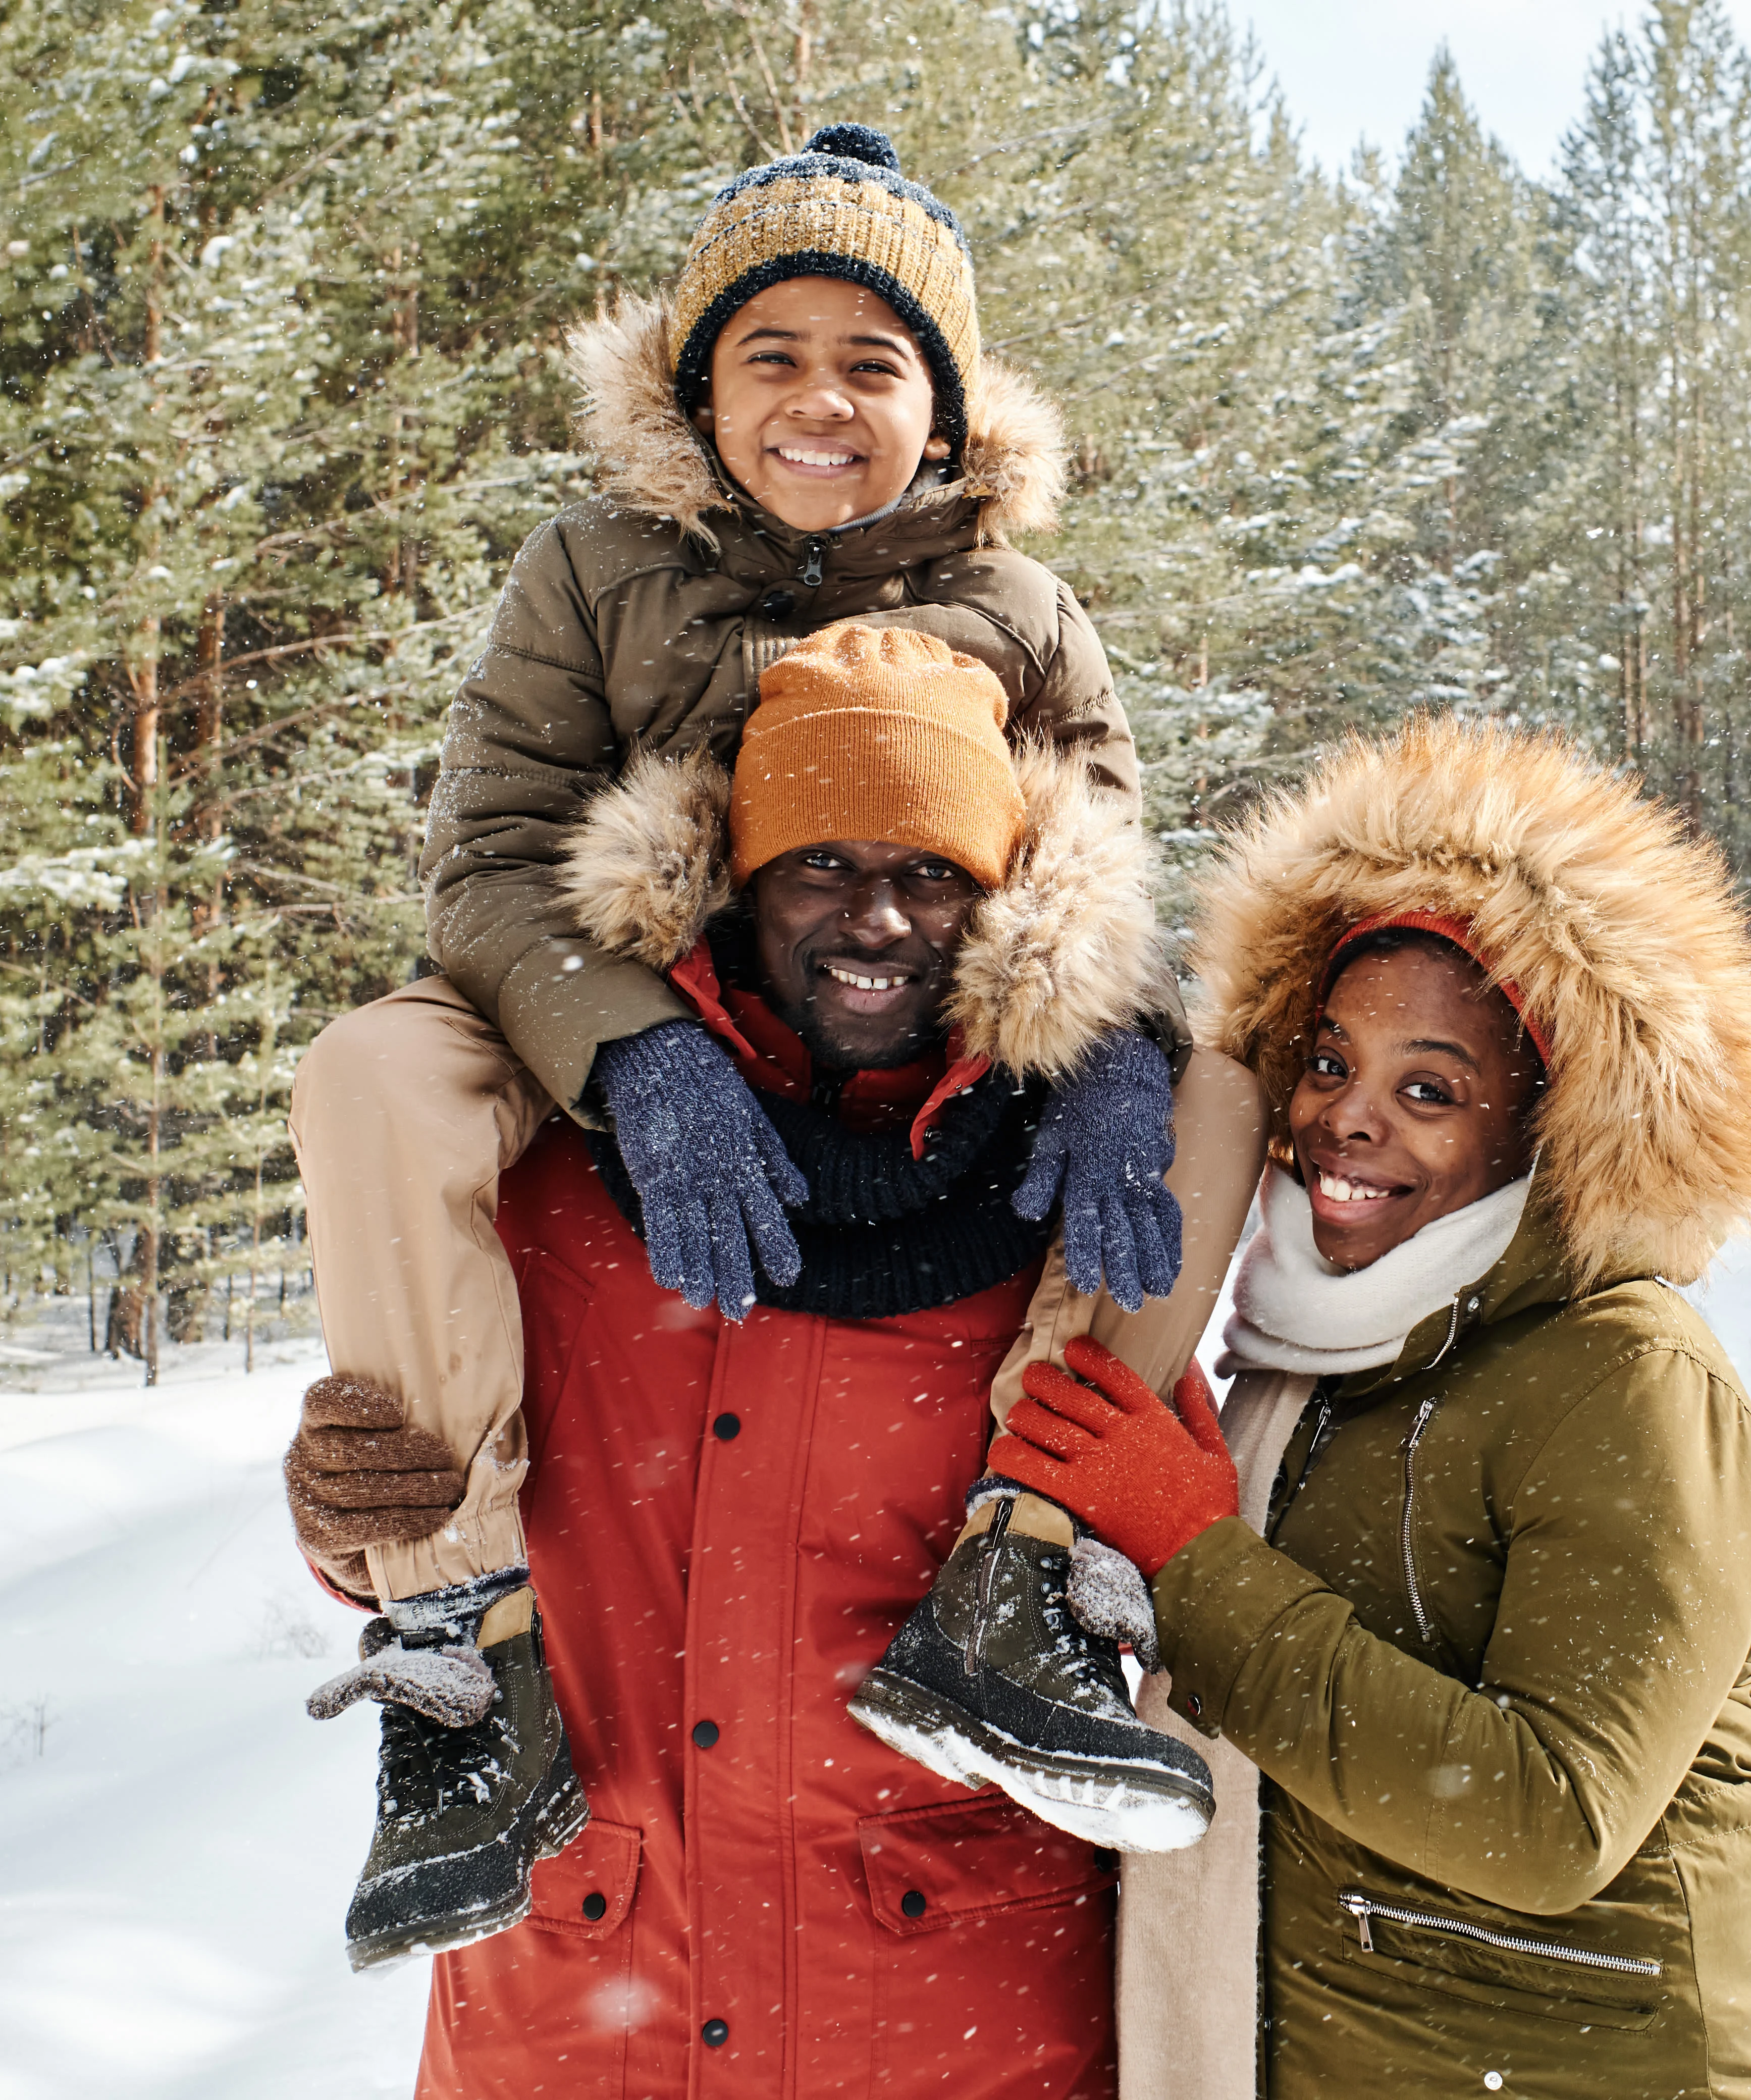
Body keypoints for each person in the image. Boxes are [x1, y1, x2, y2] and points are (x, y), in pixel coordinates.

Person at [280, 127, 1257, 1968]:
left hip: (921, 1004)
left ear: (946, 407)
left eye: (873, 364)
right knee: (370, 1073)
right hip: (626, 996)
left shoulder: (1025, 609)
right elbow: (490, 857)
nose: (822, 401)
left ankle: (1027, 1574)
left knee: (1204, 1095)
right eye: (773, 357)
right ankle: (452, 1652)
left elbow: (1107, 857)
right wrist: (637, 1054)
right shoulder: (594, 570)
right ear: (697, 387)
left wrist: (1112, 1040)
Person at [334, 628, 1216, 2093]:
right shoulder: (552, 1176)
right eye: (820, 865)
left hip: (944, 2016)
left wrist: (1171, 1512)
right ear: (737, 883)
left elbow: (1162, 1551)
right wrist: (358, 1513)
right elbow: (455, 1463)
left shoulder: (1074, 1197)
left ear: (1002, 903)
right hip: (586, 2002)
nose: (875, 919)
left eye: (932, 873)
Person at [990, 719, 1751, 2100]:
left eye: (1428, 1088)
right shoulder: (1306, 1354)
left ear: (1547, 1121)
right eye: (1327, 1064)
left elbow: (1550, 1818)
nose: (1348, 1120)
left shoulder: (1625, 1378)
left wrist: (1199, 1563)